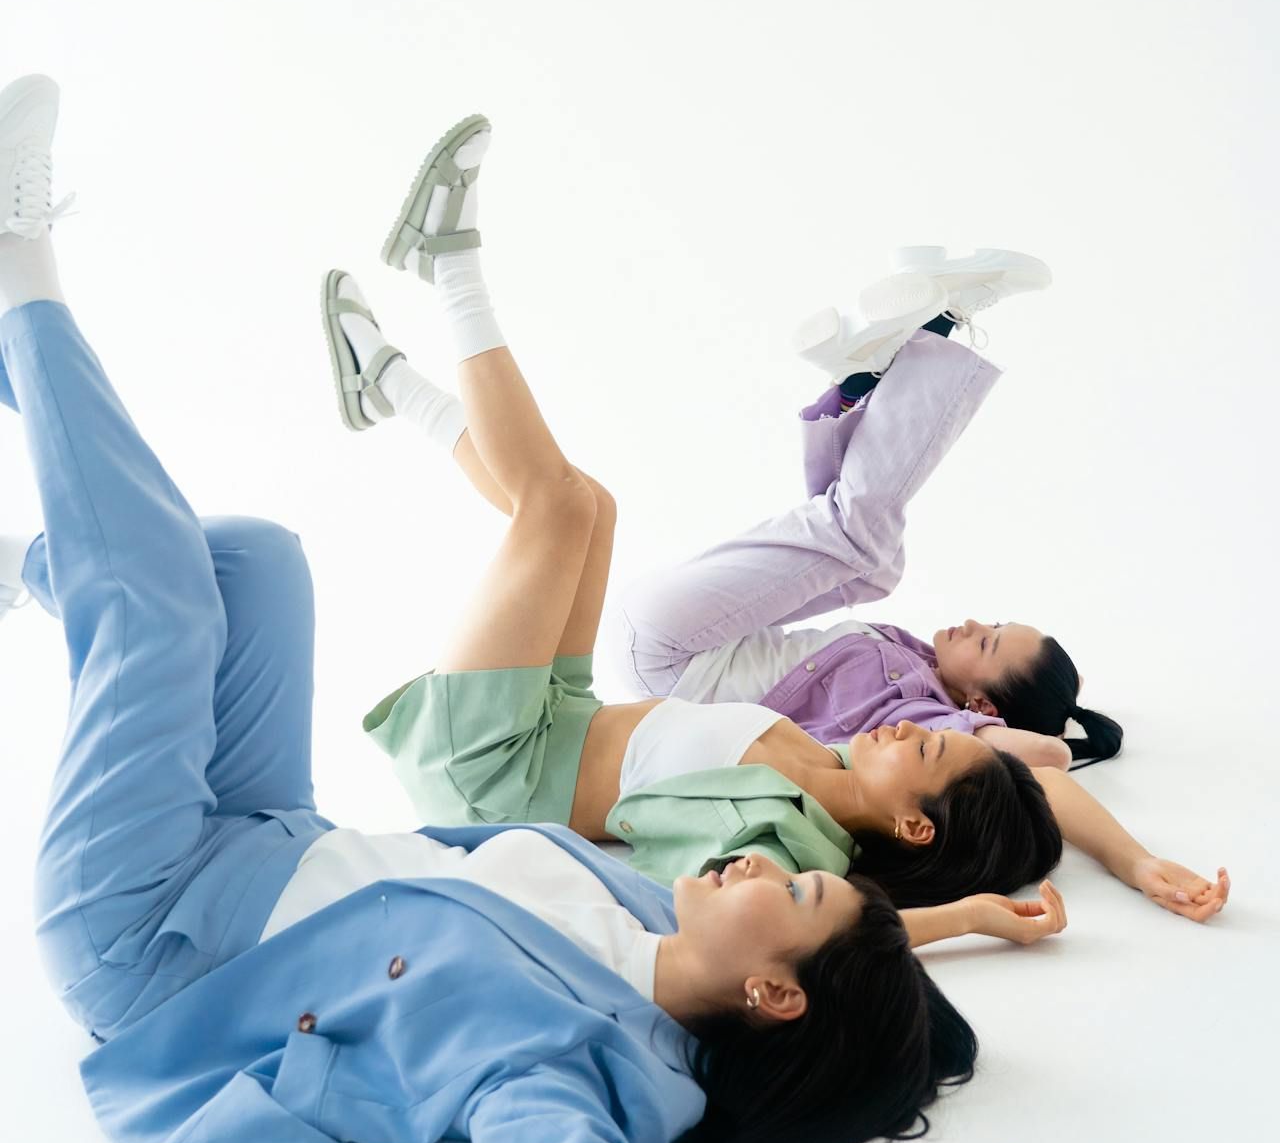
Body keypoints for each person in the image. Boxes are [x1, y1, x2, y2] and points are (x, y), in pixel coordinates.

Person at [0, 74, 1086, 1143]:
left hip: (152, 934)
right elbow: (886, 968)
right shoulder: (646, 904)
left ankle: (22, 259)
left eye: (787, 893)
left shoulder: (569, 1064)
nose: (751, 868)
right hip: (266, 831)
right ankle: (54, 553)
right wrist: (987, 905)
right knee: (255, 559)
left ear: (771, 993)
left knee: (162, 604)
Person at [330, 210, 1226, 921]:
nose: (902, 729)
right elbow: (1011, 774)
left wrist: (1105, 868)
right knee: (591, 506)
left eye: (924, 742)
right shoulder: (829, 753)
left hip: (498, 773)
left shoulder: (797, 835)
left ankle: (451, 263)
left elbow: (1014, 782)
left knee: (558, 508)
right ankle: (389, 383)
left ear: (919, 811)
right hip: (565, 719)